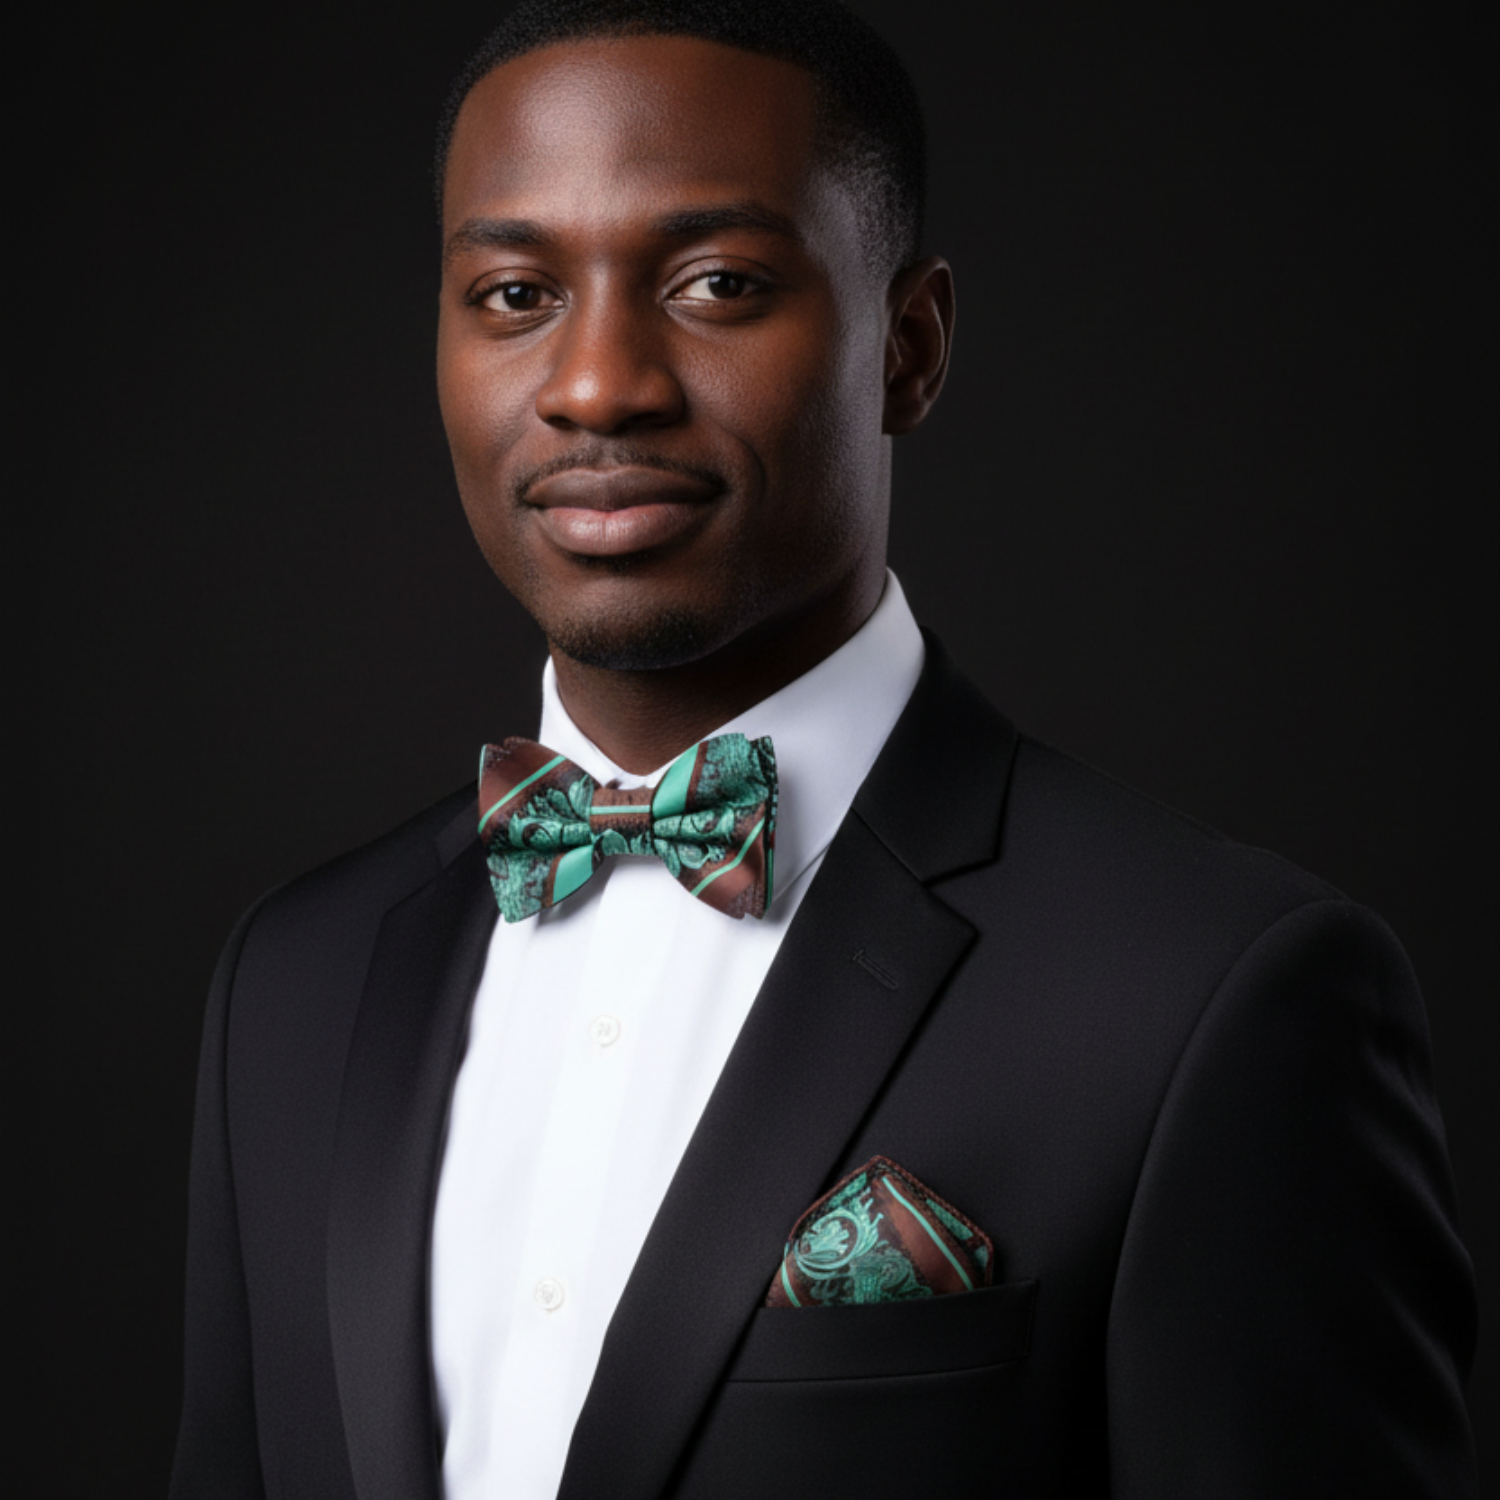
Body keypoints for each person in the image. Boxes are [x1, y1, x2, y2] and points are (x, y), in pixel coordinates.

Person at [170, 2, 1479, 1495]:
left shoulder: (1217, 996)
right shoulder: (290, 985)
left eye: (717, 282)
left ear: (909, 348)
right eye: (518, 291)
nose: (597, 384)